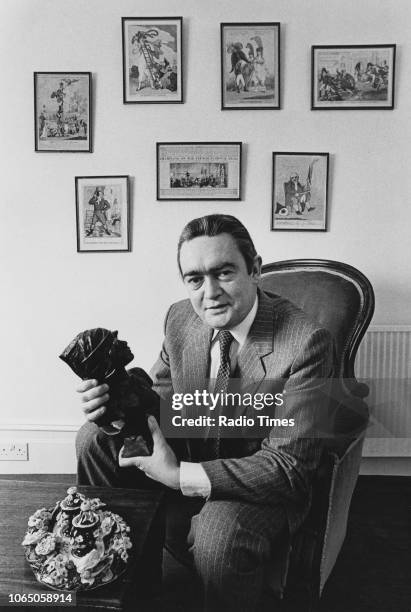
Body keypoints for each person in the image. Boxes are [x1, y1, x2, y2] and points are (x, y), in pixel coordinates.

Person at [75, 214, 334, 611]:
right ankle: (131, 588)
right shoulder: (181, 318)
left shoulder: (306, 343)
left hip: (261, 484)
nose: (209, 292)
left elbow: (290, 469)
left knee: (217, 534)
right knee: (94, 438)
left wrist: (180, 477)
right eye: (194, 278)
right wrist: (114, 410)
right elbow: (160, 404)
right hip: (195, 448)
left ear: (256, 269)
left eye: (224, 272)